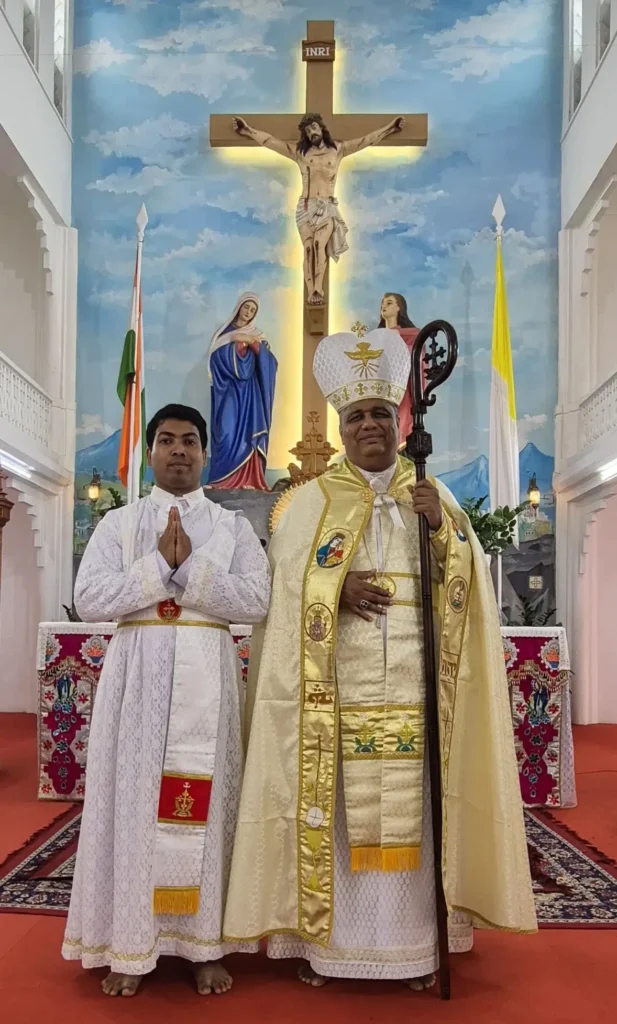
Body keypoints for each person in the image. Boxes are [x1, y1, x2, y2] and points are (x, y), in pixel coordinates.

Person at [224, 330, 536, 988]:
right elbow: (277, 596)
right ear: (339, 427)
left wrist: (441, 531)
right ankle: (327, 948)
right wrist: (333, 591)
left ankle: (419, 950)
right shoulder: (307, 503)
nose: (367, 425)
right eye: (354, 416)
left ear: (397, 422)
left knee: (419, 809)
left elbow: (467, 588)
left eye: (376, 413)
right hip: (332, 692)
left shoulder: (434, 494)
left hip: (419, 689)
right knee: (333, 811)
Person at [62, 404, 271, 997]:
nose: (179, 451)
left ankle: (204, 946)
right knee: (134, 808)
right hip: (138, 683)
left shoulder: (230, 528)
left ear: (206, 454)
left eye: (189, 441)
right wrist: (160, 565)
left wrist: (193, 572)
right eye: (167, 441)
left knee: (209, 811)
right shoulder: (119, 525)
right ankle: (131, 945)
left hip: (208, 674)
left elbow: (257, 599)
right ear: (150, 452)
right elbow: (93, 596)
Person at [233, 113, 404, 306]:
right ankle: (309, 291)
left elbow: (367, 141)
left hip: (327, 206)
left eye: (313, 127)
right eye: (307, 130)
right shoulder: (300, 153)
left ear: (321, 128)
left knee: (318, 245)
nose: (311, 132)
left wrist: (391, 127)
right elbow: (270, 142)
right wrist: (247, 130)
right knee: (307, 249)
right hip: (305, 206)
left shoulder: (338, 149)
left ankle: (318, 288)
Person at [208, 292, 277, 491]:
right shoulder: (222, 335)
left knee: (250, 435)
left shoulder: (257, 334)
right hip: (228, 391)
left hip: (250, 395)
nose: (248, 312)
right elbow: (214, 361)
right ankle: (220, 480)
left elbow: (269, 364)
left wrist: (252, 343)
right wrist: (236, 345)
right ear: (239, 307)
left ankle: (251, 480)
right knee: (226, 432)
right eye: (247, 307)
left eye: (253, 310)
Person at [378, 292, 420, 446]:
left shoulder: (411, 335)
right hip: (381, 388)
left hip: (402, 387)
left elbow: (416, 360)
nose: (383, 306)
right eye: (382, 303)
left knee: (401, 421)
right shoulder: (376, 338)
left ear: (399, 308)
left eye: (389, 303)